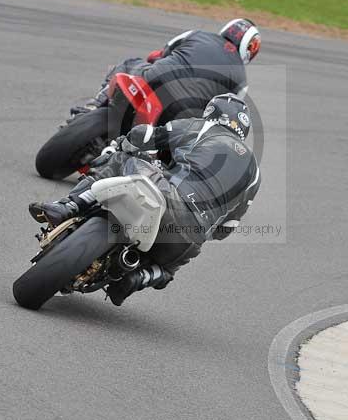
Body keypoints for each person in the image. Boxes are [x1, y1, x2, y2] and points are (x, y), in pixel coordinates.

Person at [29, 93, 261, 306]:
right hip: (190, 236)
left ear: (211, 113)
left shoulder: (203, 128)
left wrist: (124, 144)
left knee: (120, 158)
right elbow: (225, 230)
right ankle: (139, 277)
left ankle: (69, 206)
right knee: (169, 267)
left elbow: (146, 136)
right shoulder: (255, 173)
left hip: (167, 196)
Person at [34, 19, 261, 180]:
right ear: (249, 51)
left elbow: (159, 55)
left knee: (129, 63)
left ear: (227, 29)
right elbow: (223, 113)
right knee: (186, 146)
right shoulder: (242, 80)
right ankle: (152, 172)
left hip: (153, 82)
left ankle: (93, 106)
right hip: (182, 113)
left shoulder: (196, 35)